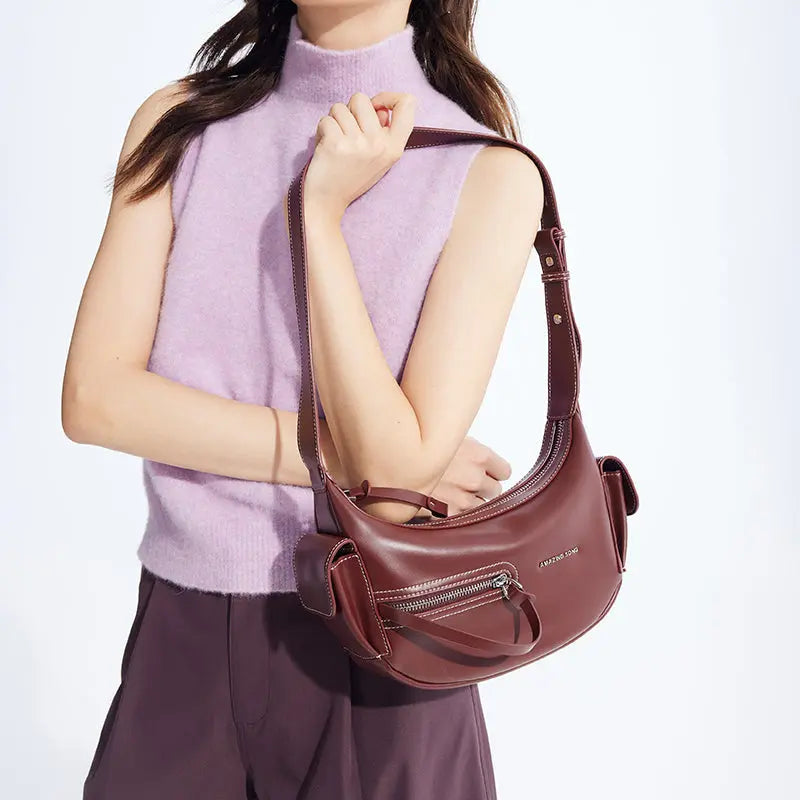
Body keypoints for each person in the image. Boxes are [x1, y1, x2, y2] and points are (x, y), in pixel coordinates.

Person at [61, 1, 544, 798]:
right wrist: (344, 459)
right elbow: (96, 400)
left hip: (383, 645)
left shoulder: (486, 168)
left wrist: (320, 212)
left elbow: (393, 473)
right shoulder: (179, 126)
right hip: (182, 636)